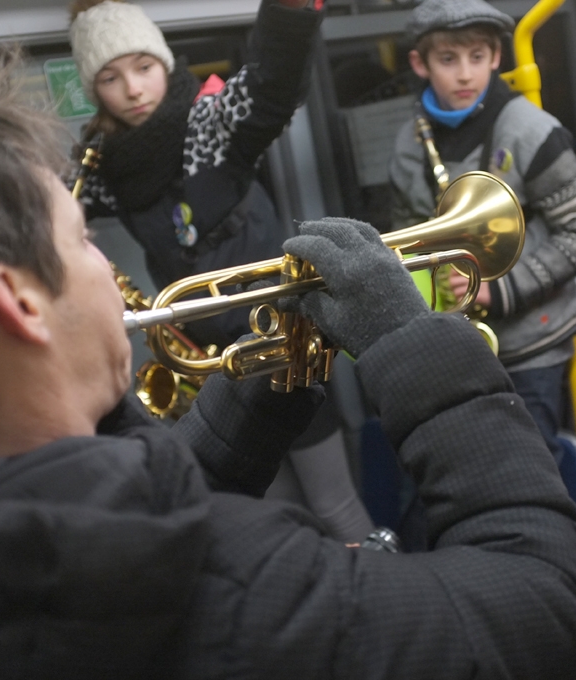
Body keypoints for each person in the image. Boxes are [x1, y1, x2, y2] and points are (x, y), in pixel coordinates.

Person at [0, 54, 576, 678]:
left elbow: (114, 508)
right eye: (81, 241)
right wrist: (417, 352)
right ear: (19, 303)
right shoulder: (238, 586)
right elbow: (550, 607)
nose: (105, 265)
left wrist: (260, 392)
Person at [68, 0, 374, 542]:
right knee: (275, 514)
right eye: (111, 78)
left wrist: (290, 13)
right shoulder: (105, 166)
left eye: (143, 67)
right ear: (95, 92)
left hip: (284, 344)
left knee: (333, 505)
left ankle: (381, 607)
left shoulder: (205, 125)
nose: (133, 89)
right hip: (214, 368)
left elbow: (271, 87)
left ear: (165, 64)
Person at [388, 0, 576, 472]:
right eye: (448, 60)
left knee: (530, 470)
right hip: (456, 349)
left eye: (477, 56)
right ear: (419, 63)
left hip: (533, 346)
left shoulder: (532, 129)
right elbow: (408, 237)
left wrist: (500, 291)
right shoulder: (409, 142)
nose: (464, 74)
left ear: (495, 57)